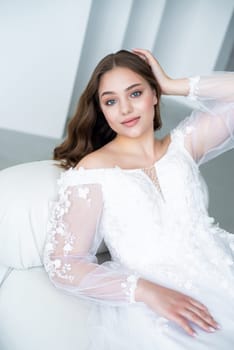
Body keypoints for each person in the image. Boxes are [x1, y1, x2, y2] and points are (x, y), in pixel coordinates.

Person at [43, 48, 234, 349]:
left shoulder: (183, 146)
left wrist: (172, 84)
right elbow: (65, 263)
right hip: (156, 299)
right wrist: (147, 292)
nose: (125, 110)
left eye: (135, 93)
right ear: (103, 109)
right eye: (111, 101)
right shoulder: (91, 171)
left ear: (154, 94)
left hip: (223, 273)